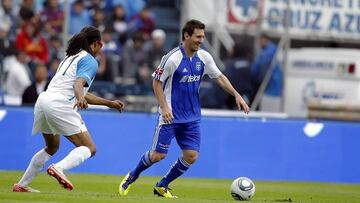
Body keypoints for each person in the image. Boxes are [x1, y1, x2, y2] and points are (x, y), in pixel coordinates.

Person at [118, 19, 250, 198]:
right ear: (186, 36)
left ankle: (162, 185)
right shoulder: (172, 58)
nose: (201, 40)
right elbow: (157, 83)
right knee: (157, 156)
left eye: (203, 36)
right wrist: (164, 107)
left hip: (192, 118)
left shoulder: (204, 57)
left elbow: (219, 77)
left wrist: (236, 94)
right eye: (198, 36)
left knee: (191, 155)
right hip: (170, 116)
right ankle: (132, 176)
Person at [13, 26, 125, 193]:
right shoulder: (90, 60)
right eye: (100, 44)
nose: (100, 48)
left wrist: (109, 103)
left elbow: (82, 91)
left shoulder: (70, 56)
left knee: (51, 147)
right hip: (60, 104)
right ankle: (59, 168)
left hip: (43, 100)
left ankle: (22, 185)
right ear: (95, 44)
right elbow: (77, 84)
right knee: (90, 148)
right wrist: (79, 98)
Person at [251, 34, 283, 112]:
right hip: (275, 88)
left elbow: (258, 66)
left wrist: (253, 74)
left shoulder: (267, 52)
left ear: (264, 40)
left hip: (269, 89)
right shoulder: (273, 50)